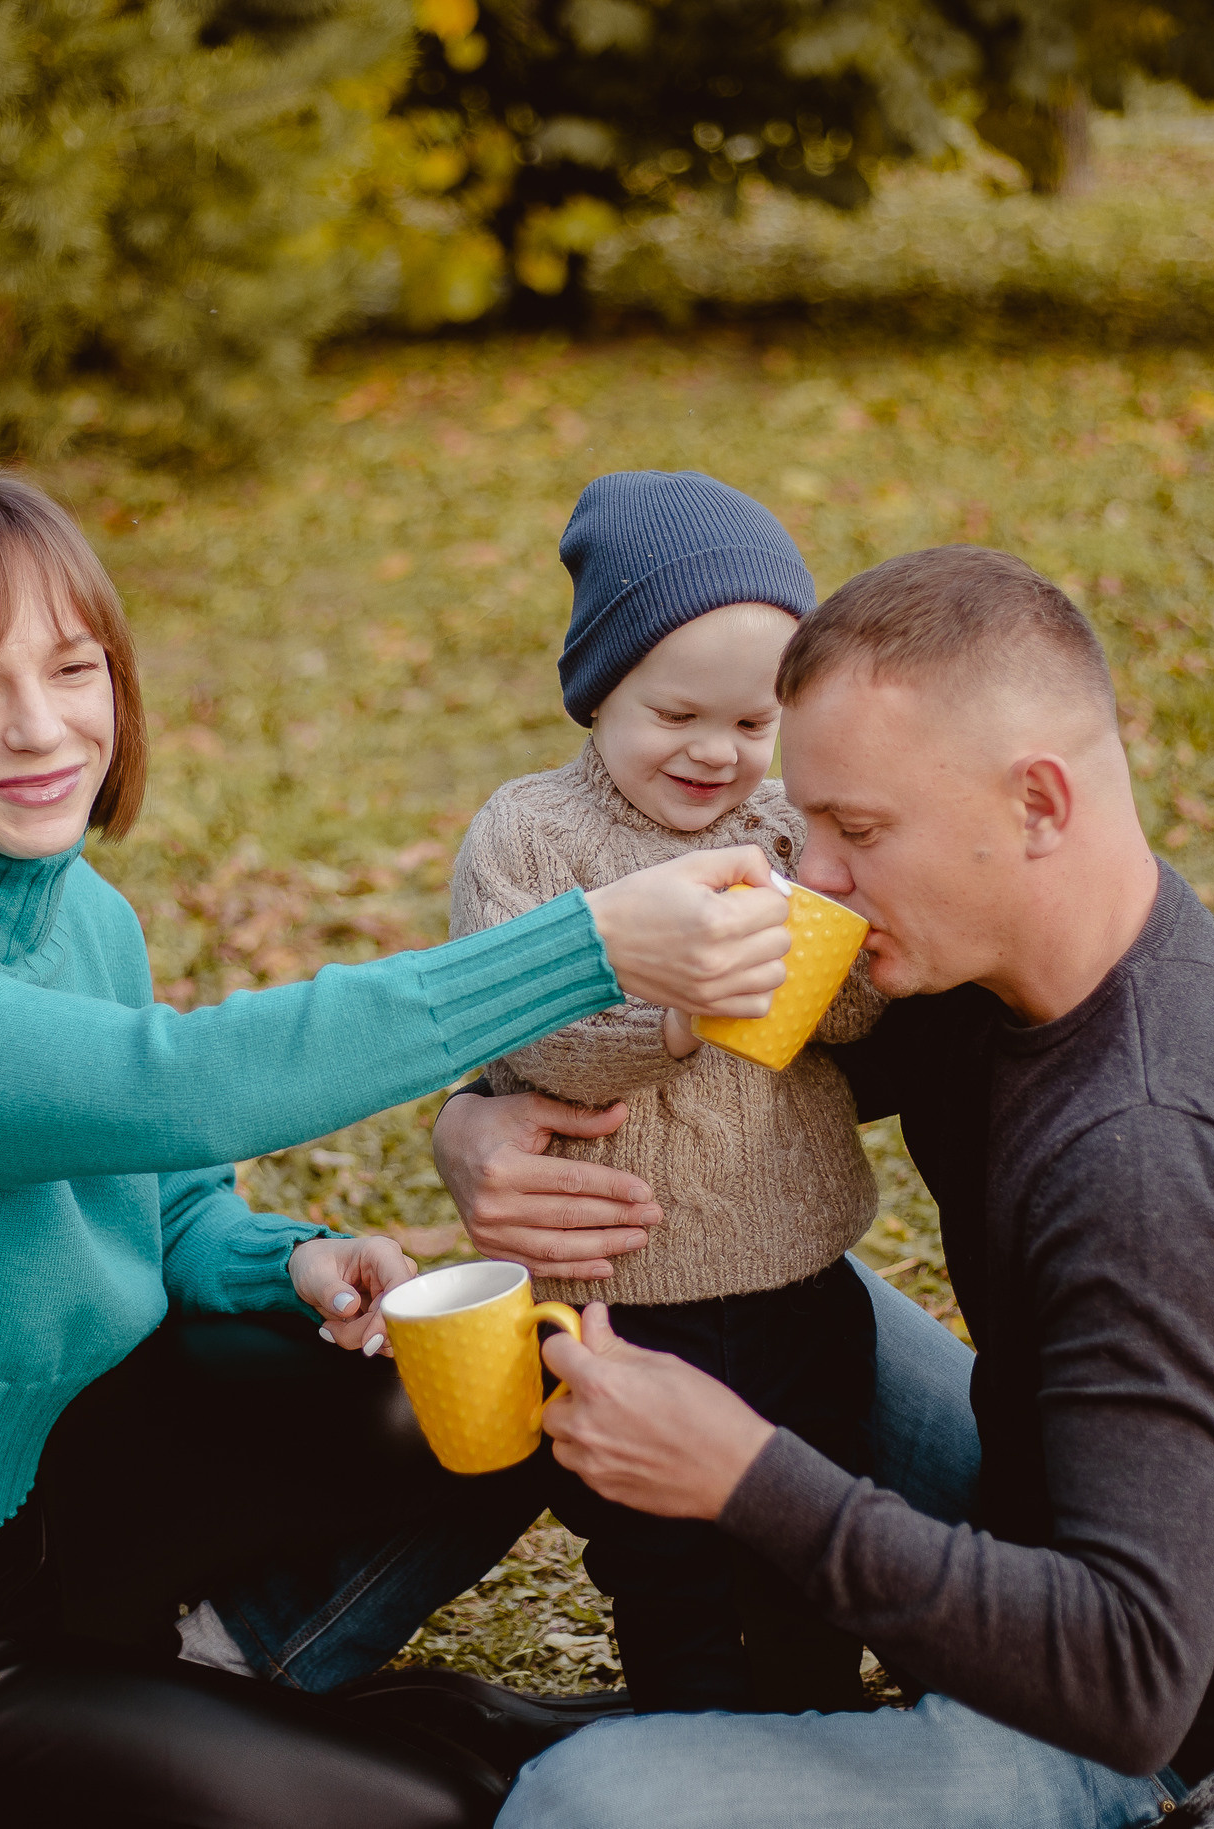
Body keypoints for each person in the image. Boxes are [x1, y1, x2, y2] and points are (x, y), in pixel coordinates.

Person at [0, 471, 800, 1829]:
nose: (42, 727)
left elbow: (163, 1199)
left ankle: (240, 1682)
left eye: (75, 668)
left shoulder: (75, 913)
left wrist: (290, 1262)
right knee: (429, 1812)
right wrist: (591, 947)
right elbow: (186, 1086)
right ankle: (277, 1723)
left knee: (494, 1382)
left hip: (76, 1496)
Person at [434, 546, 1214, 1829]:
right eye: (807, 821)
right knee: (755, 1277)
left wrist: (744, 1471)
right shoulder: (1003, 968)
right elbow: (726, 1096)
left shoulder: (1153, 1152)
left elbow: (1132, 1677)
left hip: (1205, 1739)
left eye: (858, 830)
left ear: (1039, 803)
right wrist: (472, 1120)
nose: (811, 875)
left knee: (580, 1802)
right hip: (1082, 1510)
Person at [448, 471, 883, 1715]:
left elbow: (854, 1016)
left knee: (807, 1532)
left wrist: (828, 956)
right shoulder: (530, 838)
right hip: (626, 1290)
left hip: (798, 1268)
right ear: (598, 691)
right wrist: (676, 1008)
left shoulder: (792, 824)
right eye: (675, 711)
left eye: (753, 723)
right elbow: (530, 1038)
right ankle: (694, 1742)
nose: (715, 753)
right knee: (663, 1560)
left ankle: (816, 1732)